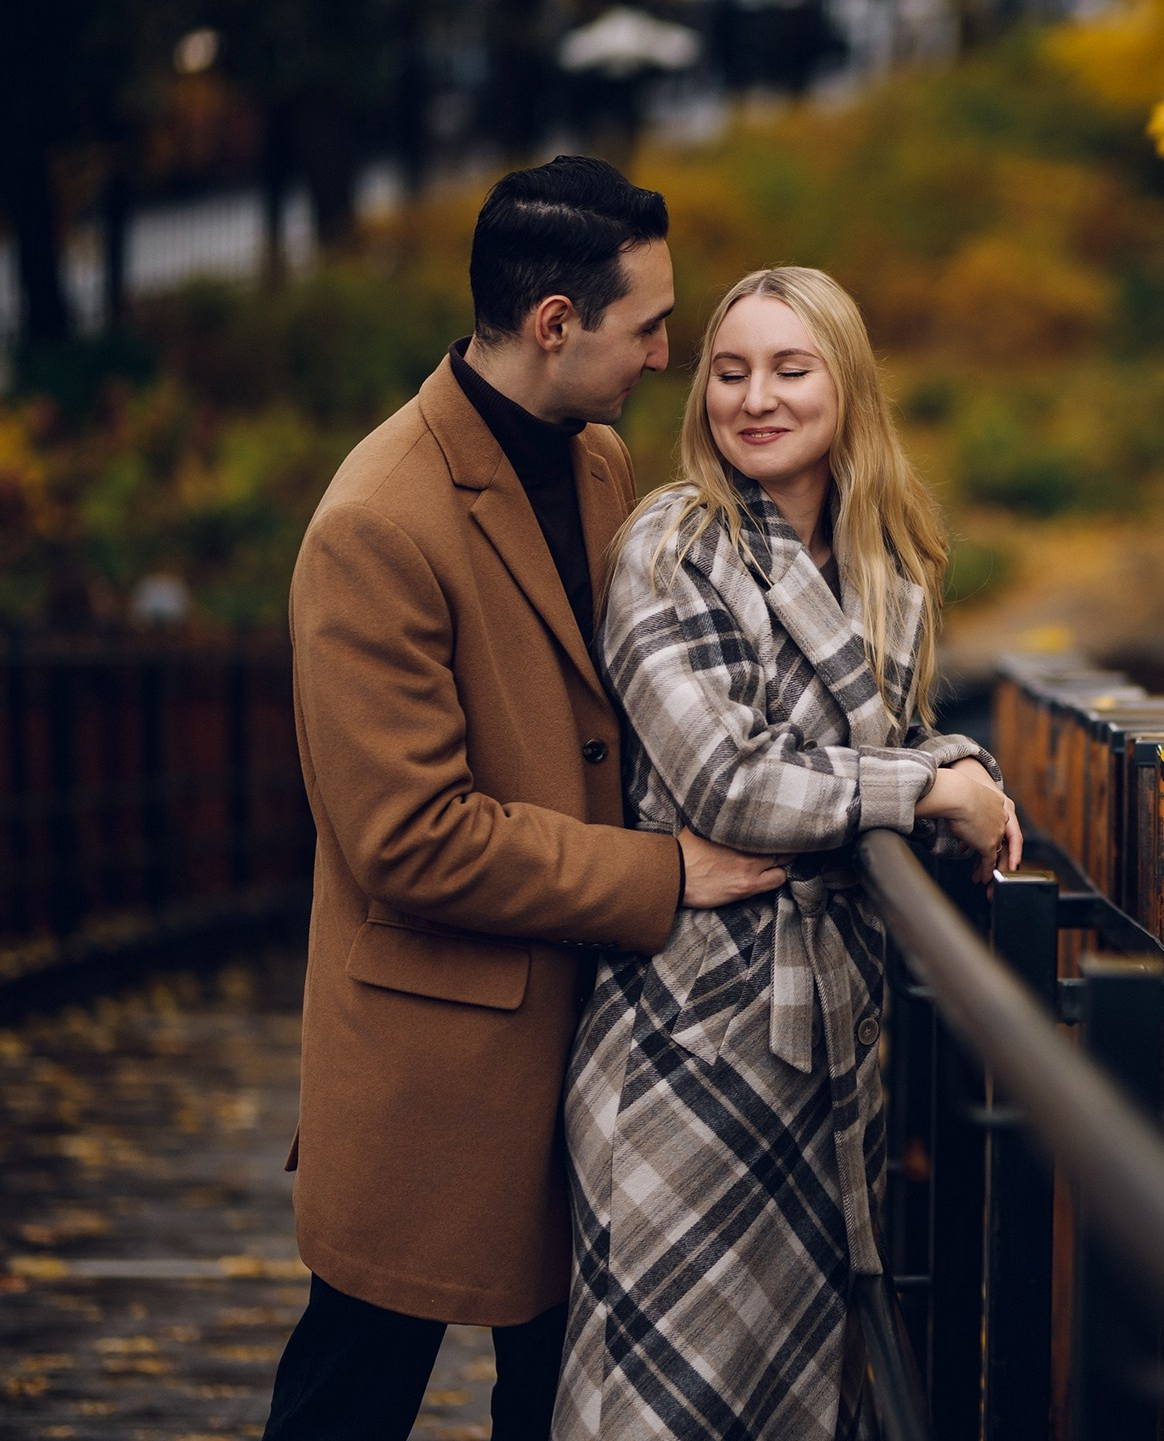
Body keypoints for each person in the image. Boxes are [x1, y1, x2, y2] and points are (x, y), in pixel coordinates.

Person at [264, 157, 789, 1441]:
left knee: (559, 1398)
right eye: (649, 325)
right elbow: (407, 840)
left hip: (598, 1039)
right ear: (554, 324)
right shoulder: (375, 522)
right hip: (436, 1059)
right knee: (355, 1386)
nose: (668, 354)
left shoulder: (598, 463)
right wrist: (663, 874)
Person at [556, 265, 1019, 1439]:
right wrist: (929, 788)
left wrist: (962, 770)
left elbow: (876, 738)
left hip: (829, 1041)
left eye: (790, 369)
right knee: (663, 1397)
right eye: (729, 370)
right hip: (693, 1027)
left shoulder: (882, 557)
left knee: (800, 1396)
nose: (755, 398)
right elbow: (728, 783)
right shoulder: (674, 544)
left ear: (846, 387)